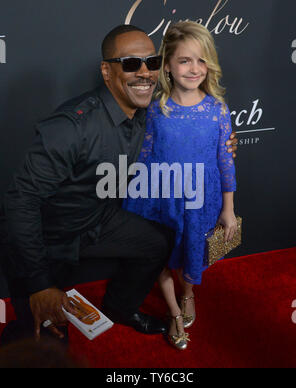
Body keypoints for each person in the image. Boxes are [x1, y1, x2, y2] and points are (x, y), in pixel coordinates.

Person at [2, 24, 238, 344]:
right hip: (48, 236)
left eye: (151, 62)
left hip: (99, 217)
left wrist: (223, 142)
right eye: (130, 64)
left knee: (158, 241)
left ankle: (121, 309)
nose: (144, 73)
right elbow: (20, 202)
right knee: (46, 343)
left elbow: (183, 120)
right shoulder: (72, 126)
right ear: (107, 71)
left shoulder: (146, 112)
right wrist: (38, 284)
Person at [123, 22, 237, 350]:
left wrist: (228, 209)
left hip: (203, 200)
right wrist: (137, 202)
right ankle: (173, 311)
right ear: (168, 65)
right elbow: (144, 156)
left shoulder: (217, 110)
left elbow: (226, 160)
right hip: (160, 199)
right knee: (158, 257)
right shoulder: (156, 109)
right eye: (185, 60)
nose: (194, 68)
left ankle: (188, 293)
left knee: (192, 256)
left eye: (202, 60)